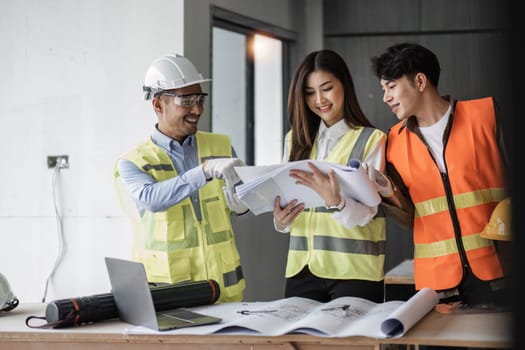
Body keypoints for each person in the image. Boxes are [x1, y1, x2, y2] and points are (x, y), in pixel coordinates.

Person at [370, 42, 511, 309]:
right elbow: (410, 217)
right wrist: (388, 194)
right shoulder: (394, 143)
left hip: (498, 273)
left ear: (420, 81)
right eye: (383, 89)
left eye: (391, 87)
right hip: (437, 284)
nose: (385, 97)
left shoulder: (486, 115)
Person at [114, 53, 249, 303]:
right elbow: (151, 199)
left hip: (225, 293)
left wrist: (246, 200)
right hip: (170, 297)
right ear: (158, 105)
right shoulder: (133, 161)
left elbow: (241, 200)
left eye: (200, 99)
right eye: (186, 101)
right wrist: (203, 171)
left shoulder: (221, 145)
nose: (197, 109)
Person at [272, 49, 389, 303]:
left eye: (326, 88)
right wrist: (282, 221)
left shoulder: (371, 140)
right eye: (310, 92)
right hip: (302, 270)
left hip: (355, 272)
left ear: (344, 86)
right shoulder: (294, 140)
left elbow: (370, 212)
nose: (319, 99)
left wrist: (337, 202)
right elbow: (291, 208)